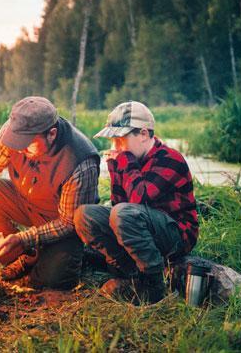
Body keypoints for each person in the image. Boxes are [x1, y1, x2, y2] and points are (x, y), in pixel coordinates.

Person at [0, 96, 100, 289]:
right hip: (25, 202)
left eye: (28, 144)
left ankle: (83, 256)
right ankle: (21, 256)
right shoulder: (15, 133)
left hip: (61, 222)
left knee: (50, 281)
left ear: (51, 134)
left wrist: (23, 239)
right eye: (18, 142)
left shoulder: (79, 161)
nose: (20, 148)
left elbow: (68, 222)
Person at [73, 101, 198, 304]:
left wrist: (124, 160)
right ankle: (128, 273)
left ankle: (153, 284)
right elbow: (118, 203)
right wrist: (115, 168)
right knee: (85, 215)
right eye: (114, 140)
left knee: (124, 213)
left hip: (176, 235)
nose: (116, 147)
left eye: (121, 139)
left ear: (144, 134)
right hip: (143, 227)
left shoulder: (170, 158)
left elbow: (140, 200)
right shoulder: (128, 158)